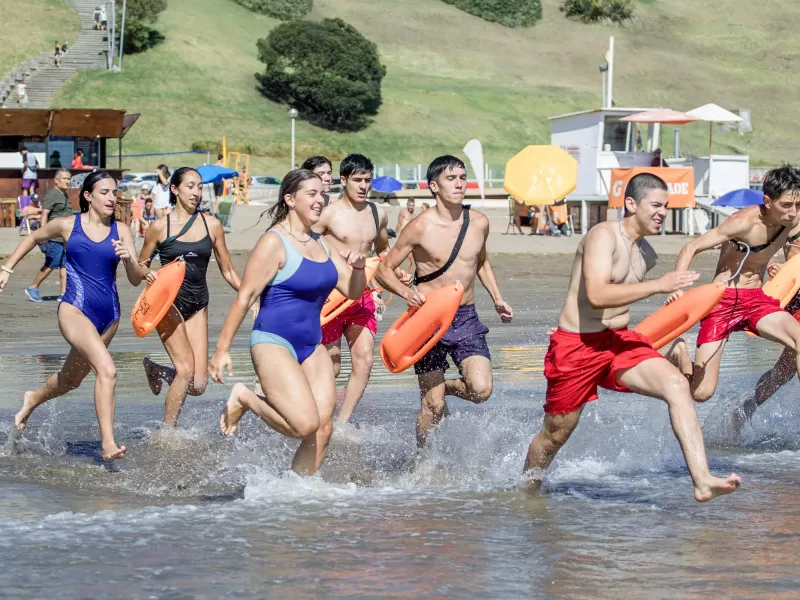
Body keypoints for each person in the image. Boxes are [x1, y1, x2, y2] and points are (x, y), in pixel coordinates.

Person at [521, 172, 740, 502]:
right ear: (631, 204)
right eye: (655, 205)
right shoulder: (602, 236)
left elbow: (623, 297)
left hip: (619, 342)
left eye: (666, 206)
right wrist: (659, 286)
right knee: (555, 436)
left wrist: (670, 300)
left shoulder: (647, 254)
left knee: (677, 386)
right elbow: (595, 294)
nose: (662, 212)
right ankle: (526, 490)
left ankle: (703, 479)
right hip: (577, 345)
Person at [210, 169, 367, 475]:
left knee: (322, 429)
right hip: (273, 341)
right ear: (290, 199)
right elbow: (245, 296)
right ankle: (245, 397)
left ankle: (298, 491)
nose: (320, 200)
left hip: (310, 344)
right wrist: (221, 349)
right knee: (303, 424)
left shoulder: (323, 243)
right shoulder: (274, 241)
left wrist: (359, 267)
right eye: (312, 194)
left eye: (322, 194)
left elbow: (352, 289)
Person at [0, 171, 142, 461]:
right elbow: (34, 237)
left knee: (71, 380)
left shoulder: (122, 230)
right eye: (104, 192)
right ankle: (108, 444)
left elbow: (135, 279)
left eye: (114, 192)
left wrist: (128, 258)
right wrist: (7, 269)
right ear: (88, 196)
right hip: (74, 308)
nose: (112, 198)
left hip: (109, 315)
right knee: (108, 371)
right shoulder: (68, 225)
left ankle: (32, 399)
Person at [377, 155, 513, 447]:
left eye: (462, 177)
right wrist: (406, 294)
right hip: (426, 320)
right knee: (433, 407)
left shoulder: (479, 223)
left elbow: (480, 262)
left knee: (481, 390)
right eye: (451, 179)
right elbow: (383, 270)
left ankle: (444, 388)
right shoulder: (419, 227)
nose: (459, 184)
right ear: (434, 186)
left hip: (465, 316)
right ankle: (422, 460)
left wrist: (497, 298)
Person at [667, 165, 800, 403]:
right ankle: (680, 354)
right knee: (701, 393)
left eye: (798, 205)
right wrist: (677, 286)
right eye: (786, 206)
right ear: (768, 202)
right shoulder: (742, 222)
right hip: (723, 301)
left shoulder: (792, 220)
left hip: (757, 300)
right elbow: (691, 247)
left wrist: (778, 270)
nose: (792, 213)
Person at [139, 168, 242, 426]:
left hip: (198, 304)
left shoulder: (213, 225)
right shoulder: (160, 227)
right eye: (190, 186)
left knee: (198, 385)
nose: (196, 192)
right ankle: (168, 434)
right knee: (185, 371)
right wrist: (146, 272)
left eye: (199, 187)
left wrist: (251, 295)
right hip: (167, 304)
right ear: (174, 189)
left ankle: (157, 369)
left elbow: (228, 270)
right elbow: (140, 265)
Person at [312, 154, 398, 425]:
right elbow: (302, 244)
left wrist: (396, 274)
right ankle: (313, 413)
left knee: (365, 361)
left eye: (367, 180)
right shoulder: (327, 214)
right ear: (343, 180)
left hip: (362, 296)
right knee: (333, 366)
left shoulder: (378, 213)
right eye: (357, 180)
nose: (363, 186)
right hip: (330, 297)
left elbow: (384, 251)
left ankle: (341, 423)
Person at [24, 169, 73, 302]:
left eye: (69, 179)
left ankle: (63, 294)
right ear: (56, 181)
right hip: (54, 237)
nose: (67, 181)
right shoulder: (52, 194)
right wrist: (43, 236)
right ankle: (33, 287)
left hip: (65, 239)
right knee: (51, 264)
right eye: (64, 178)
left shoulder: (64, 195)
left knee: (64, 266)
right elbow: (44, 215)